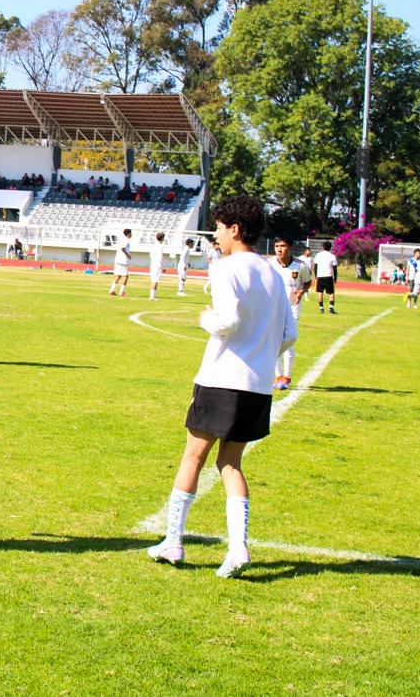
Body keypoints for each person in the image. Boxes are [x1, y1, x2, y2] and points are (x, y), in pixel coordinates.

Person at [146, 196, 297, 578]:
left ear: (235, 229)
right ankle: (238, 548)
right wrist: (261, 356)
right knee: (230, 463)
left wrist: (205, 319)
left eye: (218, 227)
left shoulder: (227, 268)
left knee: (192, 457)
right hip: (258, 385)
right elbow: (289, 334)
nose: (215, 235)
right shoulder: (273, 275)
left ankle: (173, 541)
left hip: (221, 379)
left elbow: (226, 320)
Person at [269, 235, 311, 391]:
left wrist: (301, 292)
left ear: (290, 248)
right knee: (274, 340)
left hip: (292, 307)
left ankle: (286, 375)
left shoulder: (300, 266)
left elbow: (307, 282)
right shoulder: (270, 264)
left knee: (288, 340)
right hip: (274, 307)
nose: (280, 249)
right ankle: (277, 375)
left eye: (283, 246)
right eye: (277, 246)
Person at [312, 240, 339, 314]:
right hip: (329, 276)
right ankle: (331, 307)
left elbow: (316, 266)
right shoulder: (332, 256)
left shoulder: (318, 255)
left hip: (320, 276)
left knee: (320, 292)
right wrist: (335, 277)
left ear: (323, 247)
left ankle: (321, 308)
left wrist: (316, 276)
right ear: (330, 247)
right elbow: (335, 268)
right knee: (331, 292)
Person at [108, 228, 132, 297]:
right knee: (126, 276)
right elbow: (123, 248)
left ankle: (112, 290)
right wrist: (128, 255)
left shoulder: (121, 239)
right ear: (128, 234)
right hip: (123, 260)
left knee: (118, 276)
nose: (131, 234)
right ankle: (122, 292)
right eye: (131, 233)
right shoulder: (126, 240)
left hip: (118, 260)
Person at [148, 232, 166, 300]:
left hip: (153, 264)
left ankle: (152, 296)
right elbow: (160, 257)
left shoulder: (154, 245)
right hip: (157, 265)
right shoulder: (160, 246)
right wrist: (162, 267)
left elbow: (150, 255)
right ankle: (152, 296)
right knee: (155, 280)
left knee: (154, 280)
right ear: (162, 238)